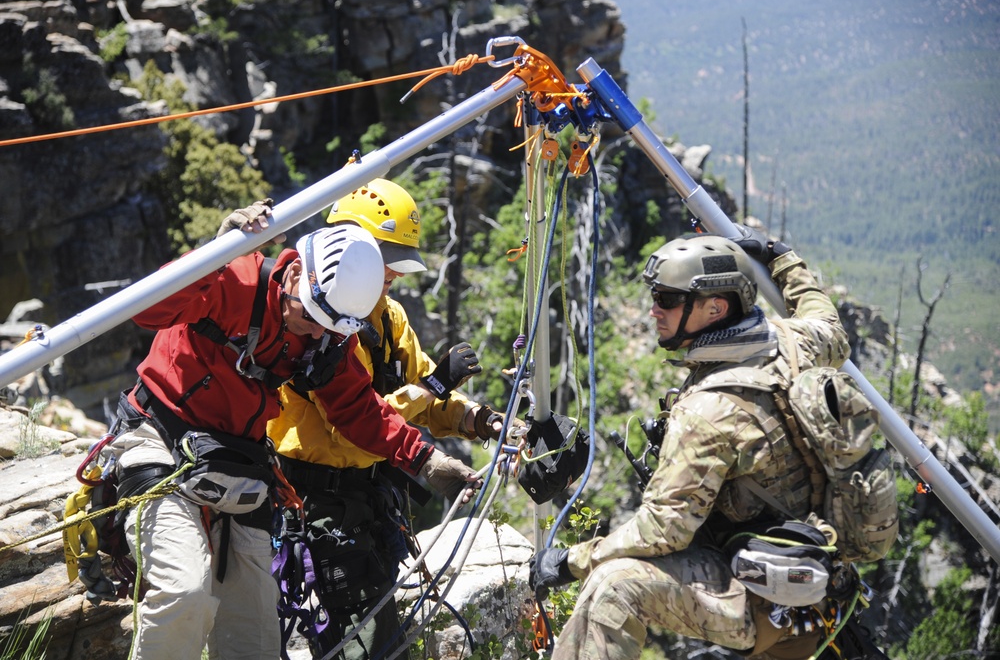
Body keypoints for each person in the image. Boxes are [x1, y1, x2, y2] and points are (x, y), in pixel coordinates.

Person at [103, 201, 479, 660]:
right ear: (296, 272)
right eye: (309, 317)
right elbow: (146, 308)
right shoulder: (233, 280)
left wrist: (428, 461)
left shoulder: (326, 334)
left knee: (255, 636)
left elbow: (360, 410)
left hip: (237, 462)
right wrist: (211, 258)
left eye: (327, 327)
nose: (313, 332)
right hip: (160, 439)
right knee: (185, 594)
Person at [529, 227, 862, 660]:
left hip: (765, 601)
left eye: (668, 299)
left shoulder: (708, 412)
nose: (653, 311)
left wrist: (569, 561)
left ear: (716, 308)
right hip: (819, 576)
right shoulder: (795, 345)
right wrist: (782, 258)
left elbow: (661, 532)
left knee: (611, 588)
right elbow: (827, 322)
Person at [265, 178, 512, 659]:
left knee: (376, 626)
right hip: (319, 498)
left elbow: (424, 393)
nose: (394, 277)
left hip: (371, 495)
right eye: (386, 265)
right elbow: (353, 427)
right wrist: (433, 390)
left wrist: (480, 420)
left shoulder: (388, 316)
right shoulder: (326, 324)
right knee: (365, 639)